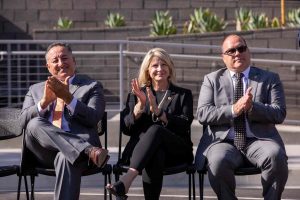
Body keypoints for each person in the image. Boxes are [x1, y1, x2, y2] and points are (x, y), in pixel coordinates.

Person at [195, 34, 288, 200]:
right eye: (231, 51)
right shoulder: (211, 80)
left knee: (275, 156)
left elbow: (279, 113)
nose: (237, 53)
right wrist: (233, 109)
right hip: (224, 142)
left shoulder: (269, 79)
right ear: (223, 57)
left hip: (259, 140)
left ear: (248, 51)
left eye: (241, 48)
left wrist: (252, 107)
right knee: (217, 161)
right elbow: (203, 113)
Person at [20, 43, 109, 200]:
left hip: (77, 156)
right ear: (48, 67)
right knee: (34, 123)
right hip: (43, 152)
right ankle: (87, 150)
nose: (61, 63)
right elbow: (21, 122)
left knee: (66, 156)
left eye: (64, 58)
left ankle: (80, 150)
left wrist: (68, 98)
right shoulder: (35, 90)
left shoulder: (92, 86)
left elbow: (93, 117)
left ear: (74, 61)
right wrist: (44, 102)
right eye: (55, 60)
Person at [106, 48, 194, 199]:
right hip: (141, 153)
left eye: (164, 65)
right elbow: (126, 129)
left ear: (170, 67)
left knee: (156, 130)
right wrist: (139, 107)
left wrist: (159, 113)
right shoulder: (137, 94)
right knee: (155, 153)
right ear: (147, 69)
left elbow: (184, 125)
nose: (160, 69)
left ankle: (127, 180)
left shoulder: (183, 95)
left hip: (176, 151)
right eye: (155, 65)